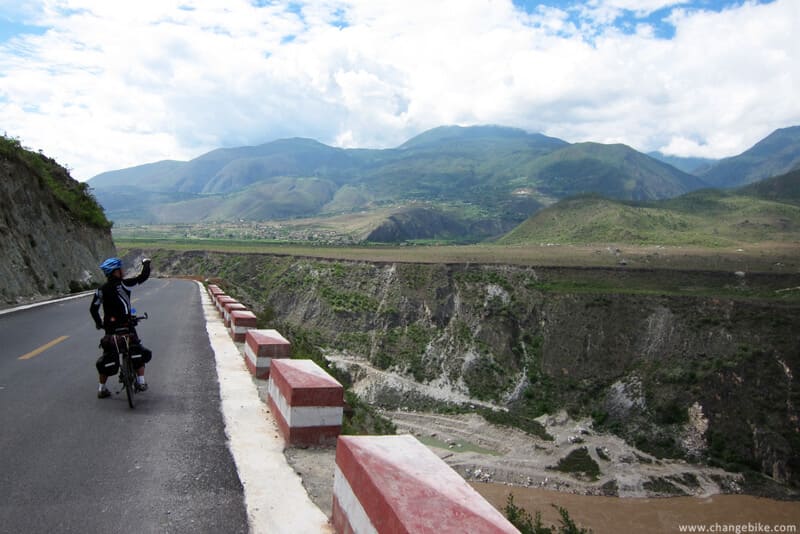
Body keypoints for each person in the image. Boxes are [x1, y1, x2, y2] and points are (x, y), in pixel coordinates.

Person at [90, 257, 153, 399]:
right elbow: (143, 277)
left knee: (108, 356)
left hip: (111, 330)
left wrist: (99, 323)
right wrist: (146, 263)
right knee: (137, 348)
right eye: (120, 269)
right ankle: (141, 381)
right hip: (126, 326)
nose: (123, 271)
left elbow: (93, 309)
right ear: (116, 272)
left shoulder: (101, 290)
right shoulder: (124, 285)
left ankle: (101, 388)